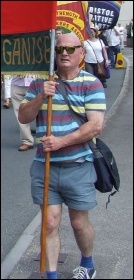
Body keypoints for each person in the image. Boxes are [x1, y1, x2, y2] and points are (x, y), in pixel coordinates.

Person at [18, 33, 106, 279]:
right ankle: (52, 275)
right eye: (59, 50)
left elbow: (95, 126)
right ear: (53, 54)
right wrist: (40, 97)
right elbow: (23, 117)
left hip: (78, 165)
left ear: (81, 53)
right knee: (50, 223)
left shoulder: (91, 83)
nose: (64, 53)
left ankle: (87, 264)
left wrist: (60, 142)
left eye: (70, 49)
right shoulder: (40, 83)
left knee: (79, 223)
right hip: (44, 165)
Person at [11, 75, 35, 151]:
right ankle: (27, 141)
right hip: (17, 83)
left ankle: (45, 138)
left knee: (42, 111)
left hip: (36, 83)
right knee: (19, 113)